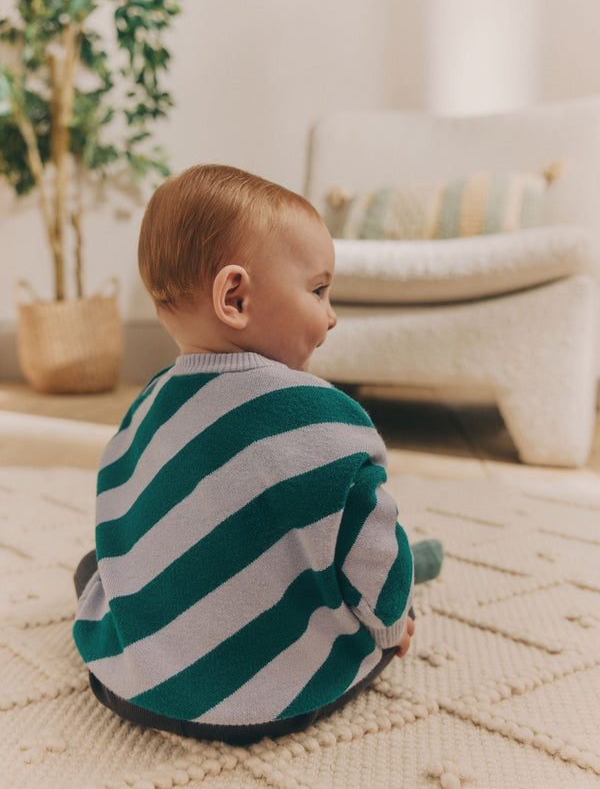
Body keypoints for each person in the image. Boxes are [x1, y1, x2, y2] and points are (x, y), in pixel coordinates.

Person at [72, 164, 442, 744]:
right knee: (374, 584)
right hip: (274, 699)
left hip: (130, 687)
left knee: (94, 568)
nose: (331, 314)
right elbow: (374, 549)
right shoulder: (326, 420)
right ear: (236, 297)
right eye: (318, 290)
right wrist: (394, 625)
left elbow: (118, 520)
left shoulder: (142, 409)